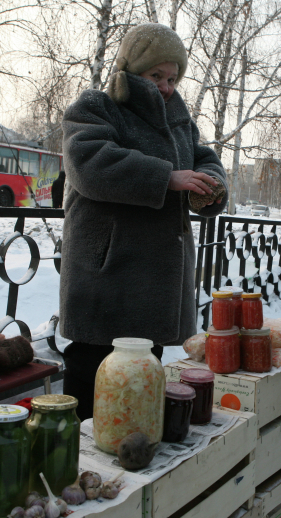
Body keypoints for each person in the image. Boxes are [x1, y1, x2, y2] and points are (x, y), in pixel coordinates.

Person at [59, 23, 228, 420]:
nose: (167, 87)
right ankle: (77, 460)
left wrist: (212, 186)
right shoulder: (97, 107)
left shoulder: (178, 119)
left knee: (141, 376)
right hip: (108, 278)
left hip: (154, 284)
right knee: (92, 373)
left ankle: (130, 453)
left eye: (173, 78)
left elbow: (202, 158)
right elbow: (88, 163)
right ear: (132, 70)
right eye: (157, 76)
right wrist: (167, 178)